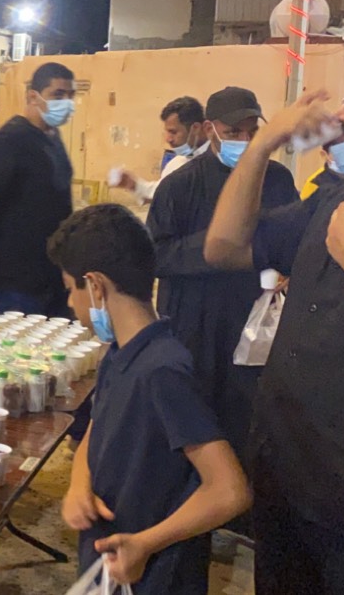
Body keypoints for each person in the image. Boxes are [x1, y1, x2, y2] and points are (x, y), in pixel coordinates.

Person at [202, 88, 344, 593]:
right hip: (287, 466)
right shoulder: (335, 197)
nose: (339, 115)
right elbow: (224, 246)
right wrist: (263, 144)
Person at [50, 204, 251, 592]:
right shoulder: (120, 352)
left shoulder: (163, 371)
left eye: (71, 290)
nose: (71, 304)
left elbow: (229, 490)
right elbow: (98, 427)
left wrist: (145, 544)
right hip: (111, 562)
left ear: (95, 286)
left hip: (153, 575)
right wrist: (79, 482)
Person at [146, 86, 296, 481]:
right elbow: (158, 254)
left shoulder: (277, 180)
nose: (244, 141)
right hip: (194, 323)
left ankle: (241, 500)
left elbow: (294, 243)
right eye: (233, 132)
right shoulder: (180, 185)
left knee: (245, 420)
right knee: (192, 421)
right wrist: (219, 247)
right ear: (209, 129)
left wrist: (287, 268)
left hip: (252, 325)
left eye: (252, 132)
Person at [0, 62, 76, 317]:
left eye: (70, 95)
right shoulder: (11, 140)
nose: (66, 102)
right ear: (33, 96)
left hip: (55, 278)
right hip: (18, 282)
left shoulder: (53, 138)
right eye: (58, 94)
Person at [111, 97, 206, 205]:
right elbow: (159, 194)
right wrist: (133, 185)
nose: (168, 139)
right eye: (167, 132)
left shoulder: (216, 161)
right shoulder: (178, 163)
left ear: (196, 128)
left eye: (173, 132)